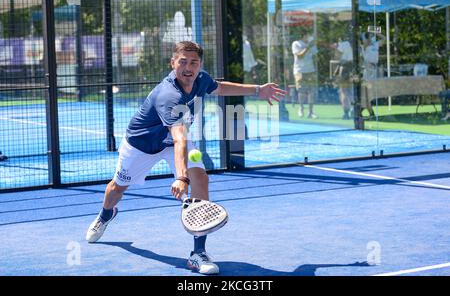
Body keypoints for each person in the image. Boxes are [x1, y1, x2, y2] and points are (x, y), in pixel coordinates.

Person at [85, 41, 286, 275]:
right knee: (117, 189)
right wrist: (181, 178)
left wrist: (257, 90)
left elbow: (218, 88)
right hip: (141, 146)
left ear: (200, 65)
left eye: (194, 62)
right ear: (173, 63)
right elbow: (179, 138)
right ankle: (106, 214)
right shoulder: (168, 95)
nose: (188, 67)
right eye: (183, 62)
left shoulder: (201, 79)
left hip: (174, 141)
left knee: (200, 177)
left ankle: (198, 254)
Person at [291, 33, 319, 119]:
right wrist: (308, 47)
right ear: (303, 36)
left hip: (310, 70)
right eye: (308, 35)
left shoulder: (311, 45)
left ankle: (311, 112)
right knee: (301, 90)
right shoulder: (296, 43)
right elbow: (299, 56)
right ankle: (301, 109)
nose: (309, 37)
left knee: (311, 91)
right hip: (299, 70)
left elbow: (316, 57)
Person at [334, 37, 354, 120]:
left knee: (344, 91)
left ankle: (346, 113)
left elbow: (337, 57)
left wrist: (336, 48)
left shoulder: (343, 44)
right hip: (355, 68)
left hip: (345, 68)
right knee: (353, 91)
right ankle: (354, 110)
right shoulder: (358, 44)